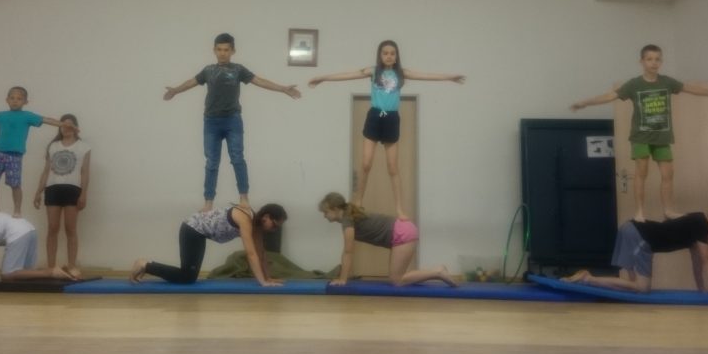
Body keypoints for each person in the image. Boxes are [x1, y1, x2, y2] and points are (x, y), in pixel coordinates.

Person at [570, 44, 708, 222]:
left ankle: (668, 210)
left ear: (661, 61)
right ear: (642, 61)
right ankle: (639, 212)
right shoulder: (634, 84)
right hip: (641, 136)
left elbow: (691, 89)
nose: (654, 63)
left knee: (668, 174)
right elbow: (610, 96)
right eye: (649, 59)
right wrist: (585, 103)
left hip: (662, 136)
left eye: (657, 59)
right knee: (642, 172)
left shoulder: (666, 82)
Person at [309, 40, 465, 220]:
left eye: (392, 53)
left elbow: (427, 76)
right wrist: (323, 78)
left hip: (390, 118)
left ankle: (399, 209)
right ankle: (358, 200)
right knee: (366, 163)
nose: (389, 56)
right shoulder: (373, 71)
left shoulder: (401, 73)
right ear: (380, 55)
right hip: (376, 116)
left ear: (396, 56)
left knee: (393, 167)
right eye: (385, 53)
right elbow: (348, 75)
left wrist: (449, 77)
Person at [163, 34, 302, 212]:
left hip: (232, 120)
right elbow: (192, 82)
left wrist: (282, 89)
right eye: (219, 50)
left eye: (226, 50)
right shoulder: (208, 70)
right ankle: (208, 202)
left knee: (237, 158)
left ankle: (244, 198)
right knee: (211, 162)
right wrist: (175, 90)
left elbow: (259, 81)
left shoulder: (238, 70)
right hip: (211, 121)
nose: (222, 53)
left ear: (233, 51)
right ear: (214, 50)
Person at [0, 86, 72, 218]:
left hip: (15, 155)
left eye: (19, 98)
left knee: (15, 184)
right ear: (7, 100)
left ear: (25, 102)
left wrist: (63, 124)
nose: (15, 101)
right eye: (12, 98)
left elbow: (45, 119)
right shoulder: (1, 115)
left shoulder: (27, 116)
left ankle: (17, 210)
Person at [562, 209, 708, 296]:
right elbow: (707, 259)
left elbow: (697, 261)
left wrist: (702, 290)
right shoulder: (701, 223)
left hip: (631, 229)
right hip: (640, 235)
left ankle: (587, 281)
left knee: (633, 288)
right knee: (642, 288)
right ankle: (588, 278)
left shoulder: (697, 223)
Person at [318, 191, 457, 287]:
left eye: (326, 212)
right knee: (397, 277)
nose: (324, 216)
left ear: (335, 209)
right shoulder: (348, 215)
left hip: (402, 233)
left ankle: (438, 271)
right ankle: (438, 272)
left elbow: (348, 251)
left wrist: (342, 280)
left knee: (397, 280)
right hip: (401, 232)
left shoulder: (347, 220)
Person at [130, 203, 287, 287]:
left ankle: (146, 266)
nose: (274, 230)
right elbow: (251, 254)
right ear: (266, 217)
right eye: (274, 225)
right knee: (187, 277)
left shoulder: (256, 228)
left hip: (200, 234)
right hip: (192, 229)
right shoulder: (245, 218)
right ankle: (144, 264)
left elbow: (260, 254)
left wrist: (268, 278)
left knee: (188, 277)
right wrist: (262, 283)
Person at [32, 114, 90, 279]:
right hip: (53, 189)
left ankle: (72, 266)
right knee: (52, 228)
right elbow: (46, 171)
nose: (66, 128)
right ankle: (51, 267)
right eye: (63, 125)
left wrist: (83, 194)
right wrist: (38, 192)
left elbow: (85, 172)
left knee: (70, 229)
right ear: (59, 127)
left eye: (70, 125)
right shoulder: (53, 146)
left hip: (73, 190)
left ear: (75, 128)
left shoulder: (84, 147)